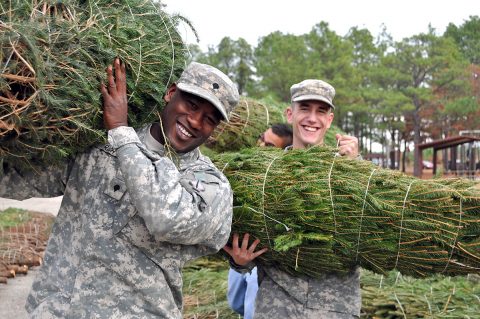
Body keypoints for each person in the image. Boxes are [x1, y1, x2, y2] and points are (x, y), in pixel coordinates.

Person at [0, 58, 239, 318]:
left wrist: (121, 133)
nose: (195, 121)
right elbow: (21, 178)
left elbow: (167, 218)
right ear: (171, 93)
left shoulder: (209, 186)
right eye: (191, 105)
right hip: (57, 311)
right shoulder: (98, 145)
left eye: (209, 119)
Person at [225, 79, 360, 319]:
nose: (312, 118)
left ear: (329, 120)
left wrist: (356, 169)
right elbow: (249, 242)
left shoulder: (351, 170)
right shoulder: (264, 177)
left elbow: (368, 232)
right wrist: (240, 262)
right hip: (277, 309)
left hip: (334, 310)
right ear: (290, 114)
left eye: (321, 111)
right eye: (304, 108)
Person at [226, 123, 293, 319]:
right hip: (240, 256)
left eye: (270, 146)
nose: (261, 146)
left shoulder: (280, 189)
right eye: (262, 139)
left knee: (251, 308)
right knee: (236, 301)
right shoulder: (242, 170)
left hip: (262, 262)